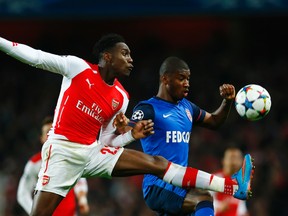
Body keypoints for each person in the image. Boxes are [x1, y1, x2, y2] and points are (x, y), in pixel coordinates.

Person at [0, 34, 253, 216]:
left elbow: (109, 142)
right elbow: (34, 57)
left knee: (157, 164)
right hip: (63, 151)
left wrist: (132, 133)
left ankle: (231, 186)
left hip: (91, 152)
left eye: (130, 54)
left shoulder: (121, 97)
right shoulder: (77, 68)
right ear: (107, 57)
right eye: (125, 53)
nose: (131, 59)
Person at [113, 57, 243, 215]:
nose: (187, 83)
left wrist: (227, 101)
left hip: (180, 182)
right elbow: (129, 129)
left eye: (188, 79)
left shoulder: (187, 107)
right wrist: (122, 127)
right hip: (158, 184)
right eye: (181, 78)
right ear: (165, 78)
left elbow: (215, 121)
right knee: (203, 198)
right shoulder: (148, 108)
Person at [17, 116, 90, 216]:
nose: (50, 135)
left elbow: (80, 179)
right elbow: (23, 193)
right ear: (41, 138)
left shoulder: (71, 158)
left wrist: (82, 200)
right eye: (47, 133)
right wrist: (35, 212)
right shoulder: (34, 164)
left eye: (53, 131)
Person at [213, 147, 250, 216]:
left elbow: (241, 207)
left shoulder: (243, 182)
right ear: (223, 160)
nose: (234, 162)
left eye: (237, 158)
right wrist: (219, 207)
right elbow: (204, 202)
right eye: (231, 158)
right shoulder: (215, 179)